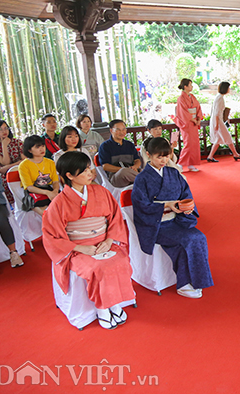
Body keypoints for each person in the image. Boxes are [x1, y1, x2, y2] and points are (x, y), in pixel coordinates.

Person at [42, 152, 135, 329]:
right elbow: (51, 235)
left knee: (120, 260)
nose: (90, 173)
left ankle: (114, 303)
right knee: (97, 268)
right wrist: (79, 248)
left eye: (89, 168)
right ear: (69, 176)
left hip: (104, 242)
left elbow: (115, 218)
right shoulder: (59, 203)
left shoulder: (101, 192)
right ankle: (102, 308)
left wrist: (109, 241)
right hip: (78, 248)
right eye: (84, 171)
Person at [132, 137, 213, 299]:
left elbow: (186, 195)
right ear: (148, 155)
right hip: (156, 225)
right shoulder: (142, 179)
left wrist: (188, 209)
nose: (163, 160)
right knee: (191, 239)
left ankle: (189, 282)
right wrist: (166, 205)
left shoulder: (173, 173)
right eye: (159, 157)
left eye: (166, 156)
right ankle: (187, 283)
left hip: (176, 220)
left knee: (198, 237)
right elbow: (142, 207)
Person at [19, 135, 60, 216]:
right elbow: (29, 187)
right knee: (47, 213)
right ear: (29, 150)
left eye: (43, 146)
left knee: (63, 206)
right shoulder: (23, 165)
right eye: (38, 147)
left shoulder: (50, 162)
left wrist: (55, 191)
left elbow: (55, 181)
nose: (42, 149)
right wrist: (47, 193)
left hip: (49, 189)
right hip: (33, 192)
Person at [207, 81, 240, 162]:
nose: (229, 89)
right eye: (228, 88)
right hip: (218, 121)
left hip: (217, 120)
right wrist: (217, 124)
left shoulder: (218, 97)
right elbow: (217, 113)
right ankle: (236, 154)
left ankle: (210, 156)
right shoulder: (220, 98)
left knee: (218, 139)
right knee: (227, 137)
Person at [97, 119, 141, 187]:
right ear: (111, 130)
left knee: (147, 170)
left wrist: (135, 167)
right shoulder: (105, 146)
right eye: (118, 130)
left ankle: (147, 181)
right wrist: (124, 169)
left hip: (131, 172)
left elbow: (137, 160)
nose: (122, 132)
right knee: (124, 172)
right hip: (116, 176)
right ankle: (147, 182)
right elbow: (105, 166)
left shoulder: (129, 145)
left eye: (124, 129)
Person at [0, 120, 24, 206]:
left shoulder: (18, 142)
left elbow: (24, 160)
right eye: (0, 129)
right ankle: (12, 206)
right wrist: (4, 145)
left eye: (6, 128)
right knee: (3, 182)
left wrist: (8, 167)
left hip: (21, 170)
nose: (4, 131)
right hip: (5, 176)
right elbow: (5, 162)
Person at [174, 78, 202, 172]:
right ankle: (180, 163)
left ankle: (191, 164)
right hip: (187, 123)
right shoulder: (181, 98)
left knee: (194, 144)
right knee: (188, 144)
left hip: (193, 122)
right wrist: (193, 119)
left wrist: (198, 118)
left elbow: (198, 107)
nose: (192, 86)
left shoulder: (192, 96)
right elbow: (182, 112)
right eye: (190, 85)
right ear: (185, 86)